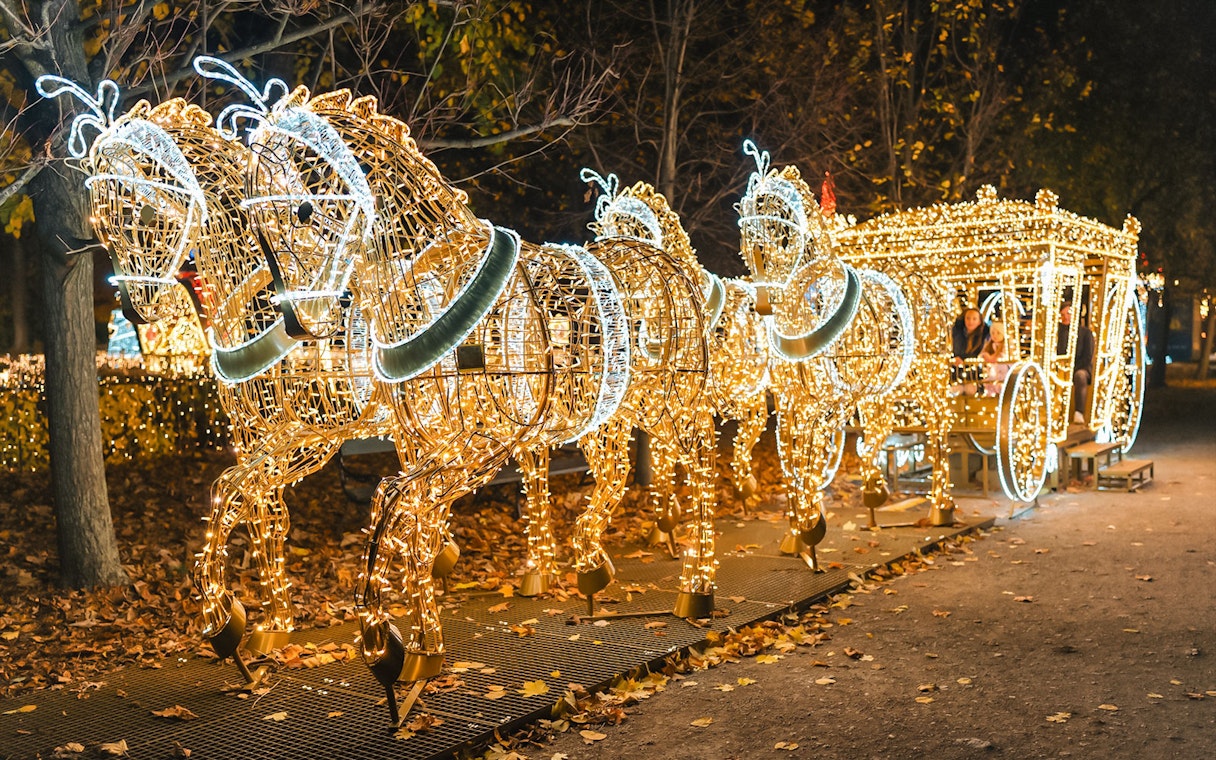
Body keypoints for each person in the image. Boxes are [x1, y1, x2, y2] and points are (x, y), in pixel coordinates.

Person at [1056, 301, 1094, 423]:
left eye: (1068, 313)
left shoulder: (1085, 333)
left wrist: (1072, 368)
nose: (1065, 316)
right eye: (1063, 314)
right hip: (1060, 367)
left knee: (1080, 376)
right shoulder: (1057, 333)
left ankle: (1079, 412)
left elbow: (1087, 356)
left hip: (1080, 367)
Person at [949, 306, 989, 394]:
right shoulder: (957, 333)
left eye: (974, 319)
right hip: (956, 373)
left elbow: (981, 353)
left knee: (971, 390)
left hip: (974, 373)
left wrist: (963, 359)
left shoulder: (984, 335)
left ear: (979, 321)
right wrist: (955, 358)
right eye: (968, 318)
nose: (971, 321)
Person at [980, 319, 1012, 397]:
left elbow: (994, 359)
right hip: (994, 372)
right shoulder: (990, 345)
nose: (995, 335)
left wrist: (987, 357)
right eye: (993, 333)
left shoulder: (1006, 347)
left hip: (1003, 372)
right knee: (990, 385)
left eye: (998, 333)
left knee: (1001, 386)